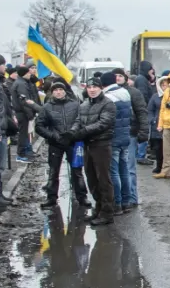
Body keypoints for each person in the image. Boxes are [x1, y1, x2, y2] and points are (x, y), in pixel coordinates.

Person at [35, 80, 91, 210]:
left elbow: (81, 121)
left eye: (60, 89)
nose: (58, 92)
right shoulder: (47, 107)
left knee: (77, 171)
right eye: (55, 90)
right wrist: (53, 136)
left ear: (65, 91)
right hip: (55, 143)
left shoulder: (75, 104)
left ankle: (82, 196)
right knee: (53, 171)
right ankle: (51, 198)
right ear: (52, 92)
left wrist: (73, 134)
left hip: (73, 142)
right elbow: (39, 126)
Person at [73, 74, 119, 226]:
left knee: (103, 179)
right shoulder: (84, 104)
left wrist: (84, 131)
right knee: (91, 179)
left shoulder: (108, 104)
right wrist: (73, 132)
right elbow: (78, 121)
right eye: (89, 87)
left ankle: (107, 212)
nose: (92, 90)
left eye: (95, 87)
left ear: (101, 88)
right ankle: (98, 208)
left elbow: (104, 123)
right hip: (87, 145)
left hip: (101, 145)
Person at [102, 71, 143, 213]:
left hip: (114, 137)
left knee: (114, 172)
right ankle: (127, 201)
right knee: (125, 170)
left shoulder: (108, 97)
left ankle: (117, 203)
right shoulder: (125, 93)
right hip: (126, 135)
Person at [11, 65, 40, 161]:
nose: (30, 74)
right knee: (23, 134)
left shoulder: (22, 82)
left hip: (23, 112)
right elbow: (24, 101)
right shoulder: (21, 84)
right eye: (28, 72)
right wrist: (30, 113)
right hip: (23, 113)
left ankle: (26, 152)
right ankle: (21, 154)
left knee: (25, 133)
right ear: (24, 74)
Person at [133, 60, 156, 163]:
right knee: (144, 131)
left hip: (142, 110)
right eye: (151, 69)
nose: (152, 71)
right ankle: (140, 155)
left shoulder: (142, 79)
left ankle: (139, 155)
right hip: (144, 110)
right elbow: (143, 95)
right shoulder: (142, 80)